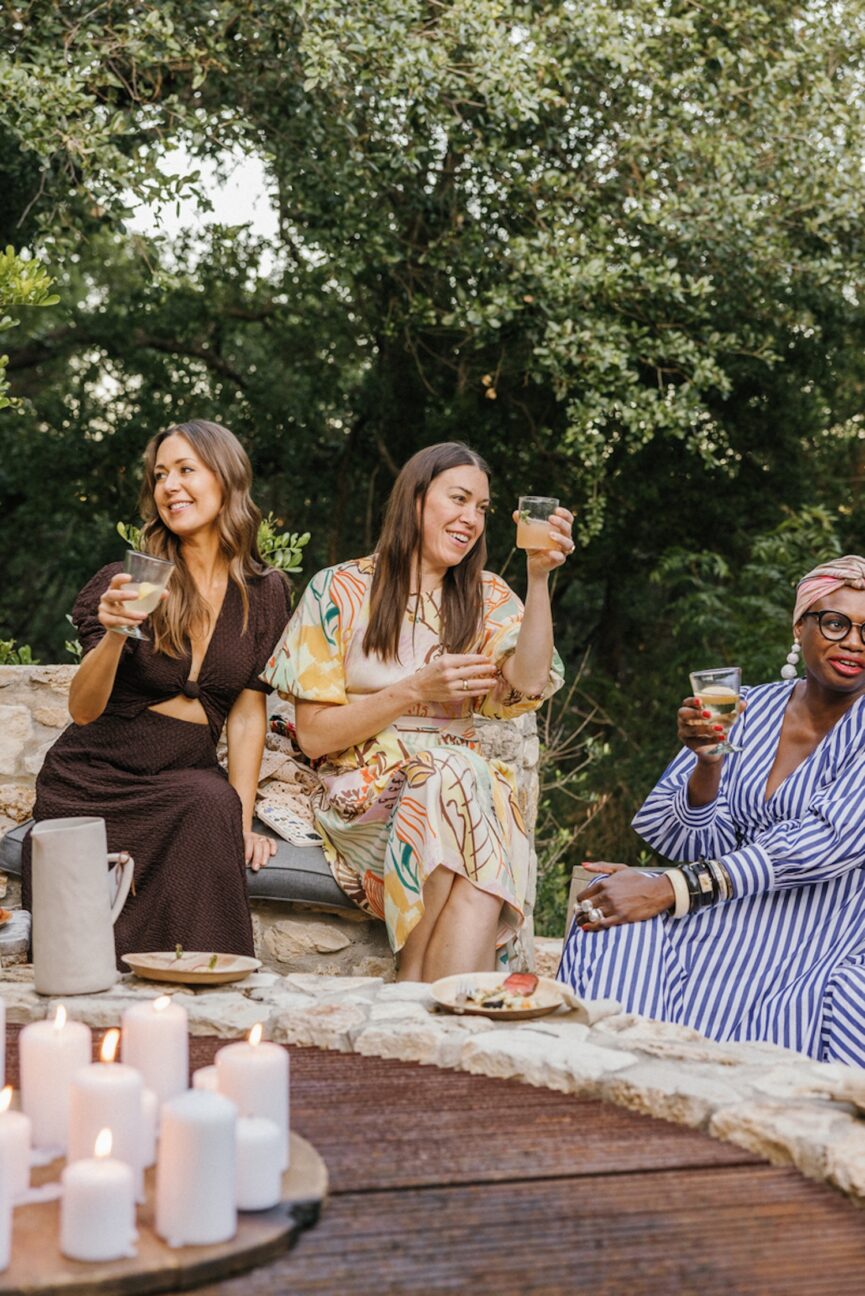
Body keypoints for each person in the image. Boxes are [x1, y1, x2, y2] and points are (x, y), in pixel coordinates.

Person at [262, 442, 572, 980]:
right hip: (361, 801)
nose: (471, 518)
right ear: (416, 500)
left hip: (458, 794)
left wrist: (539, 578)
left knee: (467, 782)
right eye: (459, 499)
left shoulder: (487, 597)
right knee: (461, 780)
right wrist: (414, 689)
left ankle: (418, 997)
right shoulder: (338, 590)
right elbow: (313, 738)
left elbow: (526, 684)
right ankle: (441, 1008)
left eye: (482, 508)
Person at [558, 555, 865, 1068]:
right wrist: (708, 765)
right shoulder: (745, 705)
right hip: (723, 906)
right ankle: (609, 1086)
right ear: (800, 625)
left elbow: (822, 846)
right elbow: (685, 843)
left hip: (819, 929)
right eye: (836, 623)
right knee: (605, 915)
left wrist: (667, 887)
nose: (854, 642)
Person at [23, 420, 290, 959]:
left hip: (183, 774)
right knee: (85, 947)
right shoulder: (126, 582)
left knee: (213, 803)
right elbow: (83, 707)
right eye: (161, 474)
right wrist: (116, 635)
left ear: (227, 479)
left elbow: (245, 715)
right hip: (96, 777)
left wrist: (242, 822)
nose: (170, 485)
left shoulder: (266, 593)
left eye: (186, 470)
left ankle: (211, 994)